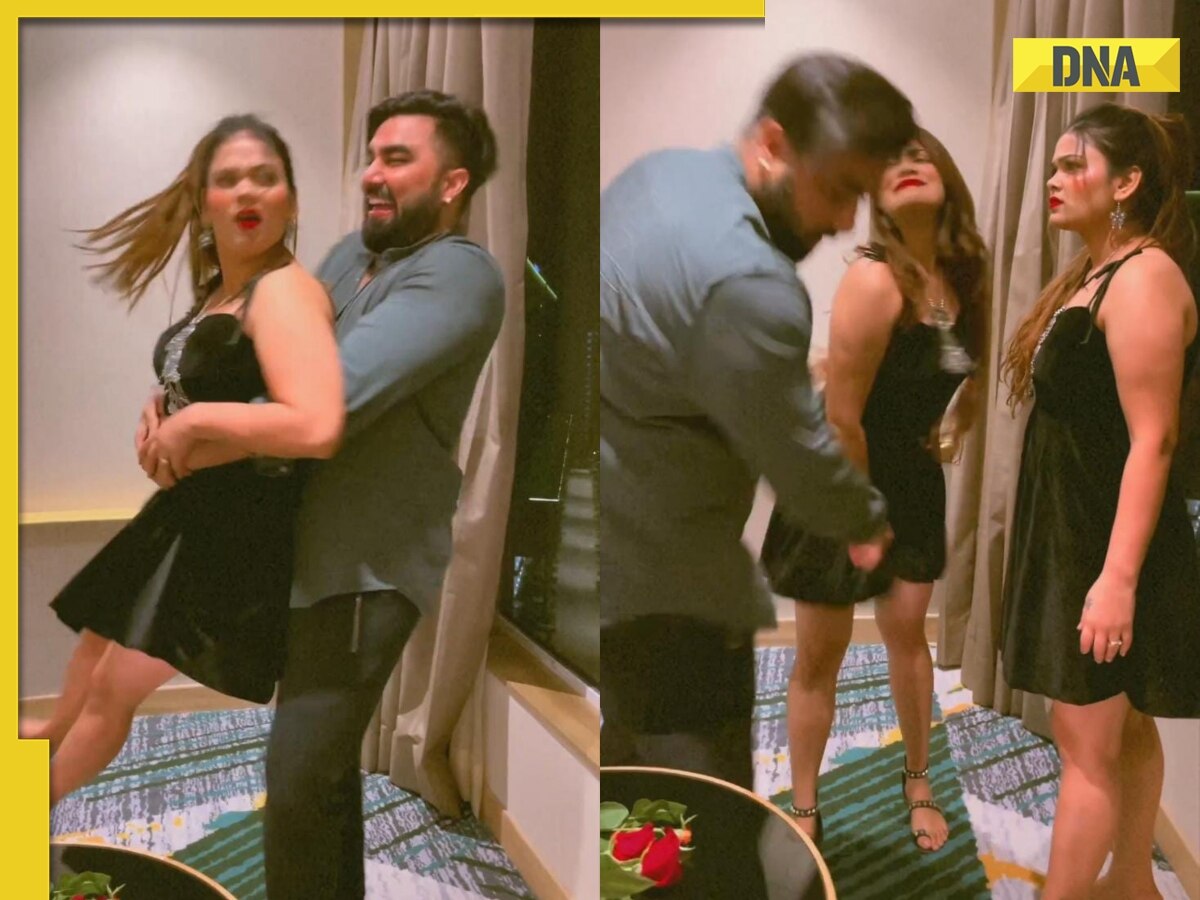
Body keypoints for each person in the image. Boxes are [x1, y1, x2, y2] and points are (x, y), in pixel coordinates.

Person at [145, 90, 506, 900]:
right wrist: (170, 399)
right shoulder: (346, 257)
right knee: (326, 773)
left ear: (452, 184)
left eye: (397, 159)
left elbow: (328, 400)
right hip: (303, 554)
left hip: (366, 571)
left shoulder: (459, 274)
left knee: (299, 778)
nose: (371, 173)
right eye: (371, 156)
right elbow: (254, 347)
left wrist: (192, 429)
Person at [599, 53, 912, 791]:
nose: (844, 222)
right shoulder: (753, 284)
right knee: (699, 810)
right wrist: (868, 524)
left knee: (627, 774)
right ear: (773, 143)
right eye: (839, 191)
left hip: (602, 551)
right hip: (670, 589)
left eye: (862, 199)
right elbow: (802, 465)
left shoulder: (657, 175)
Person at [25, 115, 345, 809]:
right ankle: (42, 744)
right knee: (94, 649)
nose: (247, 191)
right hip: (191, 511)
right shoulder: (227, 290)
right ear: (204, 205)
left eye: (265, 177)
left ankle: (21, 815)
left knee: (112, 687)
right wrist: (161, 406)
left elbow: (316, 424)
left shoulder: (283, 292)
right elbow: (215, 373)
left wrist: (193, 422)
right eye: (228, 180)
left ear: (290, 201)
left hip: (233, 529)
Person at [759, 129, 989, 850]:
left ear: (946, 177)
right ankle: (804, 806)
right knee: (819, 655)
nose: (908, 165)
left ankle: (918, 779)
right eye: (890, 161)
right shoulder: (873, 280)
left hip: (911, 480)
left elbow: (970, 365)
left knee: (908, 636)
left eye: (921, 155)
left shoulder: (966, 278)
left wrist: (954, 427)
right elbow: (842, 418)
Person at [1000, 102, 1200, 900]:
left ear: (1126, 182)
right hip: (1082, 531)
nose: (1053, 180)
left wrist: (1116, 580)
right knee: (1125, 724)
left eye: (1071, 165)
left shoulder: (1145, 277)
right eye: (1052, 166)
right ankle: (1132, 885)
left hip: (1104, 544)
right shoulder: (1099, 272)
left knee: (1085, 747)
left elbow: (1155, 440)